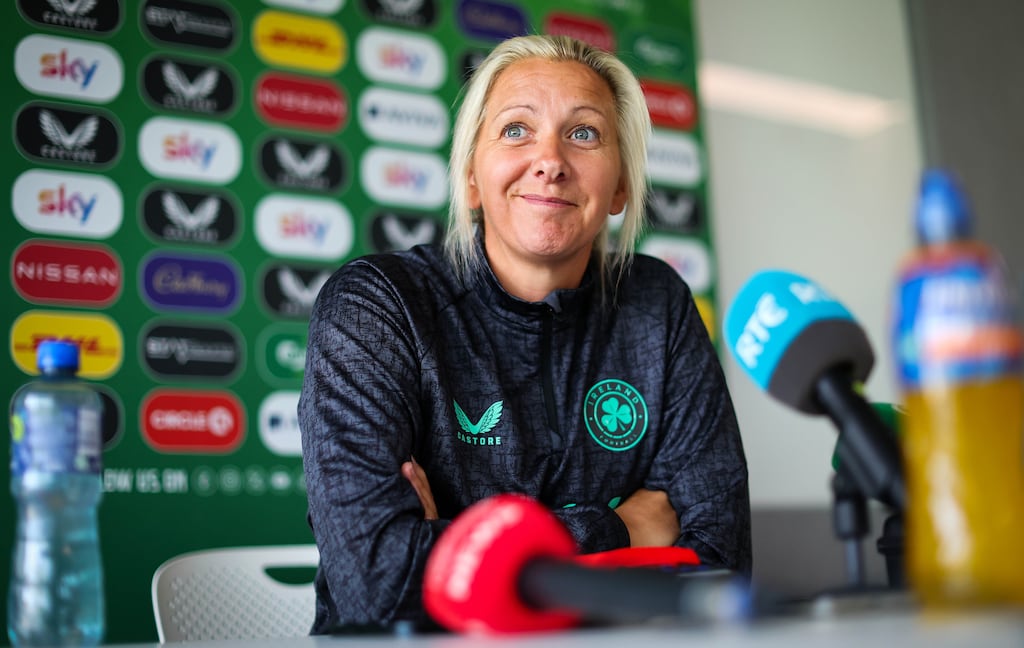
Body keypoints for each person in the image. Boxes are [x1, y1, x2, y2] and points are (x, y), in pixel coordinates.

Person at [298, 33, 751, 633]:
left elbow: (720, 567)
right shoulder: (378, 306)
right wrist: (620, 529)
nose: (551, 160)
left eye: (584, 133)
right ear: (469, 177)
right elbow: (378, 586)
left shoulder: (657, 304)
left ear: (619, 186)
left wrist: (459, 546)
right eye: (516, 129)